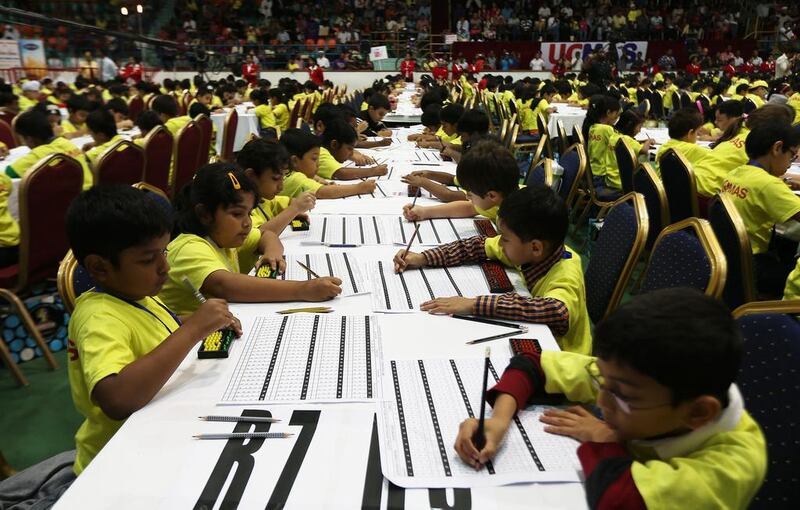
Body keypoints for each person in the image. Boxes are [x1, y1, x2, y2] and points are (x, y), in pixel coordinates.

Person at [454, 288, 766, 509]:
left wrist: (607, 437)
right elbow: (533, 363)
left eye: (621, 395)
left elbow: (618, 498)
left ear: (698, 413)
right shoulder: (632, 377)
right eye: (602, 382)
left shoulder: (735, 462)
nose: (602, 401)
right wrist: (498, 420)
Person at [65, 185, 242, 475]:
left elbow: (155, 327)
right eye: (149, 259)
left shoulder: (134, 292)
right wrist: (194, 329)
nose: (165, 267)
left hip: (157, 432)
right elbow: (117, 398)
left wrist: (197, 320)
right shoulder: (98, 317)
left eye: (164, 252)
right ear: (98, 268)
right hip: (118, 463)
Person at [396, 181, 591, 355]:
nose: (500, 244)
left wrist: (473, 304)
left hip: (561, 359)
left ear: (535, 247)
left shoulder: (566, 271)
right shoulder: (526, 249)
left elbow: (556, 310)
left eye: (505, 239)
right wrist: (423, 258)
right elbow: (478, 245)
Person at [158, 163, 342, 315]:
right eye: (237, 214)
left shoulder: (223, 235)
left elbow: (266, 235)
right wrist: (303, 289)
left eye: (249, 213)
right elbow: (226, 286)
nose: (247, 223)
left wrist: (272, 253)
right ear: (205, 214)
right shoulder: (189, 247)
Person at [720, 123, 800, 298]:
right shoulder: (768, 184)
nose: (790, 163)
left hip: (729, 259)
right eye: (792, 156)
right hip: (754, 265)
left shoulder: (736, 172)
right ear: (777, 148)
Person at [402, 140, 518, 225]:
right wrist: (424, 211)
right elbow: (469, 207)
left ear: (492, 195)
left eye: (470, 193)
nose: (467, 196)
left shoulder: (518, 218)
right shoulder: (501, 199)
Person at [237, 138, 315, 238]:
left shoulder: (261, 198)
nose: (281, 187)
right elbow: (257, 237)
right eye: (275, 178)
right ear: (251, 176)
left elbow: (286, 201)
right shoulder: (240, 205)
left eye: (283, 177)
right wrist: (294, 209)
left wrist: (291, 213)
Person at [279, 128, 378, 199]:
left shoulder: (287, 173)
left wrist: (318, 179)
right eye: (314, 159)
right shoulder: (295, 179)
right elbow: (325, 193)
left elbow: (311, 178)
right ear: (295, 161)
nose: (318, 164)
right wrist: (359, 188)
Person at [5, 110, 92, 188]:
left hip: (72, 203)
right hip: (90, 193)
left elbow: (9, 173)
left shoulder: (37, 154)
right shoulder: (66, 143)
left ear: (29, 139)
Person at [317, 119, 387, 180]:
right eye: (350, 149)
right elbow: (341, 173)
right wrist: (374, 171)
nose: (351, 154)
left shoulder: (323, 145)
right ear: (334, 144)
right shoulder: (319, 152)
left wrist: (358, 154)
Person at [583, 95, 622, 190]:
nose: (617, 118)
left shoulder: (593, 126)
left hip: (592, 172)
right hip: (602, 176)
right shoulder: (606, 129)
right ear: (609, 112)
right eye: (616, 114)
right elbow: (621, 143)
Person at [655, 108, 712, 173]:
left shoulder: (662, 147)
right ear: (690, 133)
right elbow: (718, 156)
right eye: (697, 132)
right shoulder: (692, 149)